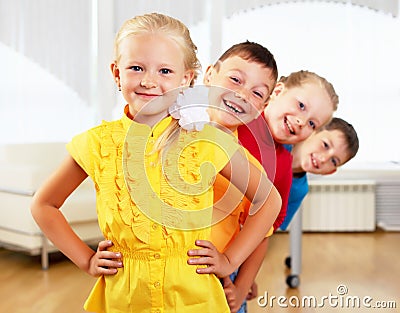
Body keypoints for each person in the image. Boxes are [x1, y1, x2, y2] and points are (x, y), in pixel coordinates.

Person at [30, 13, 281, 313]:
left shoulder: (207, 140)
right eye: (136, 68)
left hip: (195, 300)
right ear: (116, 73)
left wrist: (230, 261)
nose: (149, 81)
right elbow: (43, 205)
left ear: (186, 79)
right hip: (125, 300)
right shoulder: (96, 144)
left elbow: (268, 201)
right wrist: (86, 260)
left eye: (165, 71)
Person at [194, 41, 278, 313]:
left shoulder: (250, 169)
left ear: (263, 106)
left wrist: (238, 280)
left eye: (256, 93)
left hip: (213, 284)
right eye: (235, 79)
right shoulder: (171, 137)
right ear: (209, 75)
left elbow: (261, 235)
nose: (242, 94)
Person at [238, 70, 339, 232]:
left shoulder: (284, 165)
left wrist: (234, 254)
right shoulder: (238, 116)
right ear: (277, 92)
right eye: (301, 106)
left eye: (312, 124)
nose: (301, 121)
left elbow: (275, 221)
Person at [279, 117, 359, 230]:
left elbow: (269, 231)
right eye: (325, 145)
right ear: (312, 131)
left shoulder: (299, 190)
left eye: (333, 161)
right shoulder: (275, 142)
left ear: (329, 172)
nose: (323, 159)